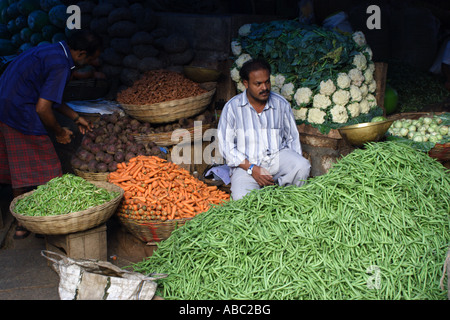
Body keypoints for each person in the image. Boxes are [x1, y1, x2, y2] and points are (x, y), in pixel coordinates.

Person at [0, 29, 102, 239]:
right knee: (49, 166)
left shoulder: (52, 50)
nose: (94, 63)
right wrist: (59, 132)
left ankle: (23, 221)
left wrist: (75, 118)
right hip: (19, 110)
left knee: (18, 164)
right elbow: (42, 108)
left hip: (6, 104)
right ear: (81, 54)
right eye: (93, 58)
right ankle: (41, 219)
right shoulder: (61, 66)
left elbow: (49, 98)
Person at [218, 58, 311, 200]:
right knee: (242, 200)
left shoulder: (281, 104)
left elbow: (292, 138)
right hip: (246, 167)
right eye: (258, 84)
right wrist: (252, 168)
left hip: (276, 158)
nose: (265, 87)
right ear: (245, 84)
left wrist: (290, 170)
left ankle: (287, 200)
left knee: (302, 165)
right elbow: (226, 146)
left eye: (267, 81)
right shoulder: (232, 108)